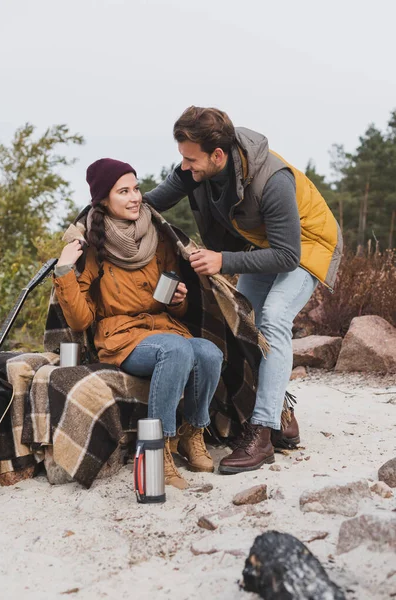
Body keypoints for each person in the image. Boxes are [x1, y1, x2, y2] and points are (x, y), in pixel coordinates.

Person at [144, 106, 343, 474]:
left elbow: (286, 255)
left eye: (190, 159)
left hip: (307, 245)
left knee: (273, 319)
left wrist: (223, 261)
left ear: (217, 155)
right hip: (266, 244)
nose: (184, 166)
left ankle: (263, 434)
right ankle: (283, 415)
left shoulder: (273, 180)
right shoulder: (196, 168)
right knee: (242, 321)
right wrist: (99, 209)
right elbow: (150, 202)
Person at [53, 158, 223, 490]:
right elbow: (80, 319)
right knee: (176, 350)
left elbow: (170, 300)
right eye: (123, 191)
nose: (135, 198)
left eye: (136, 188)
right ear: (104, 200)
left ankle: (191, 433)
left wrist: (179, 300)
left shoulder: (157, 235)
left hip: (161, 326)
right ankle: (156, 450)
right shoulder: (93, 246)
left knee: (209, 352)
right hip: (120, 337)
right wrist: (63, 271)